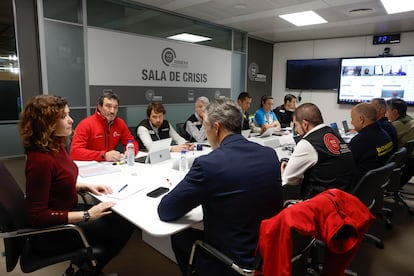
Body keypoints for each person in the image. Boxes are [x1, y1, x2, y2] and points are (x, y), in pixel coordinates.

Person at [158, 98, 283, 276]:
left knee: (179, 237)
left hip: (232, 262)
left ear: (216, 128)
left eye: (206, 127)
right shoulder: (269, 155)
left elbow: (167, 210)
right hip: (267, 253)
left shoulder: (209, 164)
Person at [19, 95, 133, 276]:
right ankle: (87, 270)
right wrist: (88, 214)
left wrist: (85, 186)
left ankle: (86, 263)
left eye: (68, 114)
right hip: (52, 232)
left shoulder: (56, 145)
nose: (71, 120)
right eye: (64, 116)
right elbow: (36, 216)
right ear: (46, 122)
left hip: (68, 211)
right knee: (123, 226)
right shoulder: (40, 160)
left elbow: (58, 182)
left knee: (121, 218)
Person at [281, 103, 356, 199]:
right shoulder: (332, 133)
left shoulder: (308, 143)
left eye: (295, 125)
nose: (295, 129)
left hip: (322, 202)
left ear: (305, 124)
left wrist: (284, 171)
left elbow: (289, 179)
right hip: (344, 195)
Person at [70, 91, 138, 162]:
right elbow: (75, 152)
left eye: (115, 107)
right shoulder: (86, 124)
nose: (112, 111)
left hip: (111, 165)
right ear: (99, 107)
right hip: (91, 166)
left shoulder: (120, 123)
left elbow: (131, 142)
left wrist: (131, 151)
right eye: (108, 106)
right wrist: (104, 155)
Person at [349, 102, 393, 179]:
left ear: (361, 119)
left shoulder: (360, 140)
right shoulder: (384, 134)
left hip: (358, 183)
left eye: (352, 119)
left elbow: (345, 164)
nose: (352, 122)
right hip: (375, 182)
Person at [386, 98, 414, 185]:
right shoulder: (409, 119)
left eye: (387, 110)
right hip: (408, 159)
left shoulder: (398, 124)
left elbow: (384, 140)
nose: (386, 113)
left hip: (404, 160)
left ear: (394, 112)